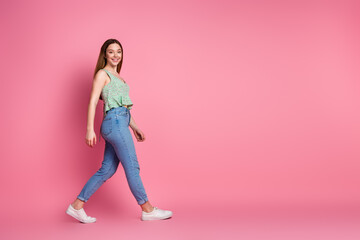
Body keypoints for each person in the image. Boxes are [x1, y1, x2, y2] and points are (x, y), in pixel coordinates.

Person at [66, 39, 173, 223]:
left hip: (119, 122)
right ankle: (147, 209)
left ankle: (76, 206)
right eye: (111, 52)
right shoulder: (102, 74)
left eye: (119, 52)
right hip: (114, 122)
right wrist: (89, 129)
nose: (115, 55)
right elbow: (93, 100)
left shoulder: (119, 77)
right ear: (104, 54)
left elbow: (124, 108)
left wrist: (135, 127)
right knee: (132, 166)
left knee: (106, 170)